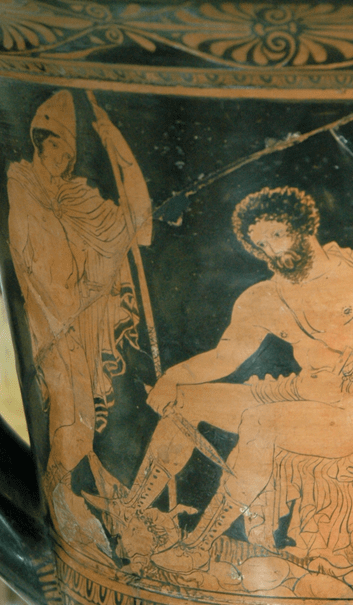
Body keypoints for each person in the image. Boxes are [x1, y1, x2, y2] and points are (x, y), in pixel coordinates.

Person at [107, 186, 353, 574]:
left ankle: (199, 544)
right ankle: (131, 510)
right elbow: (225, 357)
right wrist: (172, 378)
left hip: (352, 411)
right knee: (184, 401)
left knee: (260, 423)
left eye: (277, 235)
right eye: (261, 245)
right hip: (300, 392)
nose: (272, 251)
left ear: (303, 226)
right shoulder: (264, 298)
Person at [7, 90, 152, 556]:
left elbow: (135, 222)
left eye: (68, 156)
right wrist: (67, 306)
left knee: (80, 422)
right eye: (54, 149)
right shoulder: (20, 186)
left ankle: (66, 499)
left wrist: (119, 147)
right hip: (50, 324)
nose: (61, 161)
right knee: (70, 417)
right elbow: (34, 265)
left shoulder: (75, 198)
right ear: (38, 142)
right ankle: (64, 501)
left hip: (75, 325)